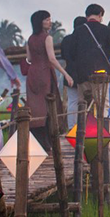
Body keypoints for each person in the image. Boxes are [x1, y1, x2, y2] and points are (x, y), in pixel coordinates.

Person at [26, 10, 73, 151]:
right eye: (46, 20)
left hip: (32, 73)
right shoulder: (47, 38)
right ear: (40, 22)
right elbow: (52, 59)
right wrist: (66, 74)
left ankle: (38, 140)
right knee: (47, 107)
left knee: (35, 108)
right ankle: (48, 142)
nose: (49, 22)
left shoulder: (30, 38)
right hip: (44, 73)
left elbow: (28, 58)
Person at [61, 16, 87, 128]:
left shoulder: (66, 40)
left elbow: (63, 56)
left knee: (72, 101)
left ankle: (72, 126)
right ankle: (83, 127)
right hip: (83, 74)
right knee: (84, 102)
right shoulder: (85, 40)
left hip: (70, 72)